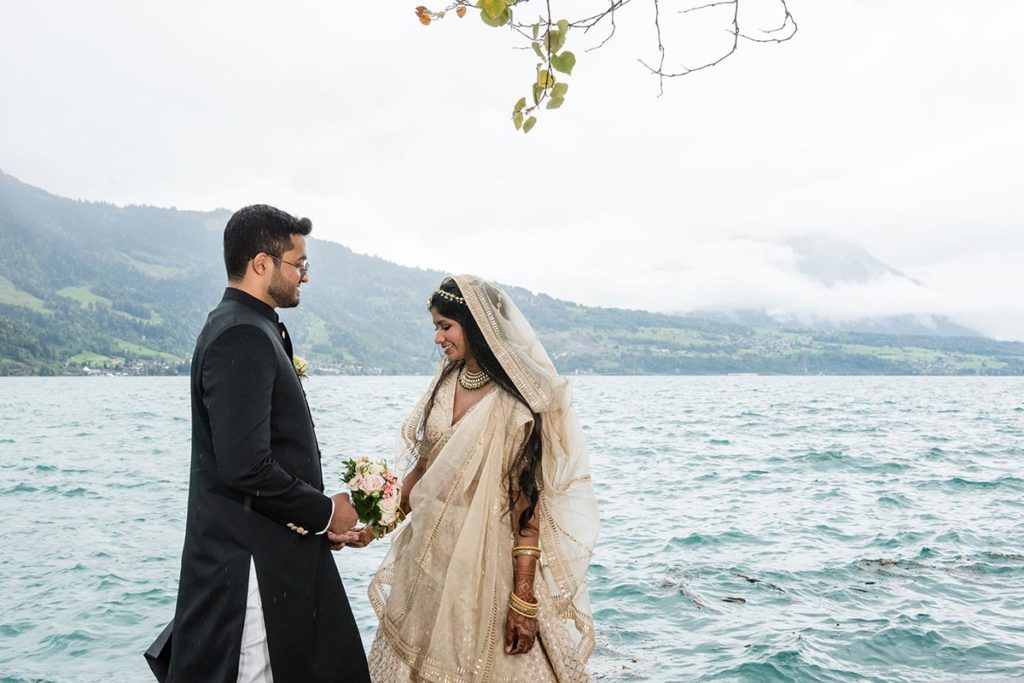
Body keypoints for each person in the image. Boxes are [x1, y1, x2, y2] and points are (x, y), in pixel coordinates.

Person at [158, 205, 371, 682]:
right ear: (262, 263)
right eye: (299, 264)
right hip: (250, 568)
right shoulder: (241, 335)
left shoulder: (253, 325)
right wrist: (324, 512)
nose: (305, 277)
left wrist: (319, 524)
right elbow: (245, 465)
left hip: (273, 549)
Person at [357, 275, 599, 683]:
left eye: (445, 326)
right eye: (436, 326)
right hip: (429, 562)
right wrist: (375, 526)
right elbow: (423, 470)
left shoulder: (515, 403)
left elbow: (528, 507)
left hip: (488, 569)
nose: (437, 338)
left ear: (477, 327)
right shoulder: (444, 382)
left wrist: (523, 598)